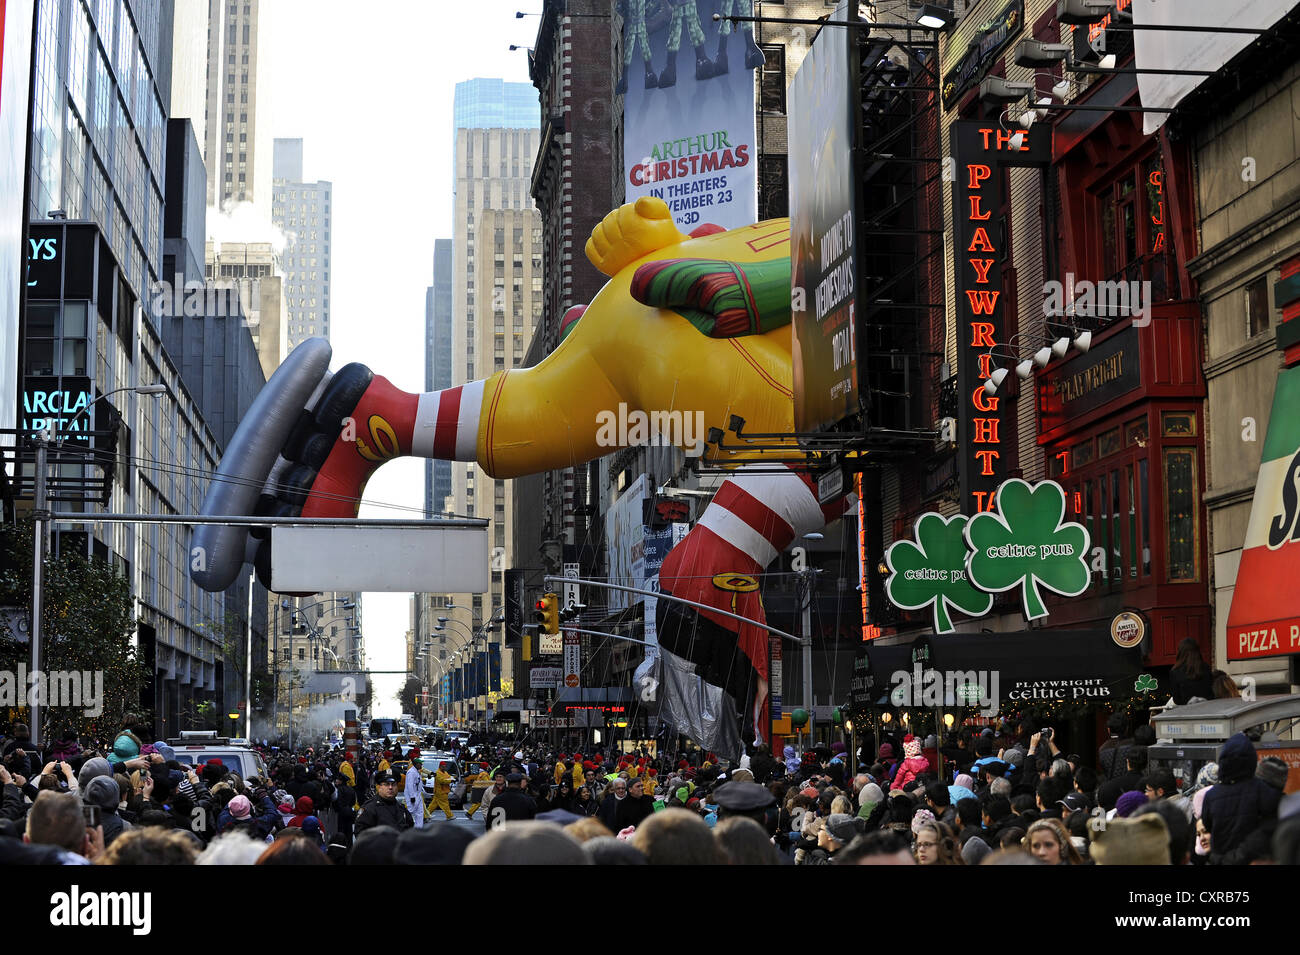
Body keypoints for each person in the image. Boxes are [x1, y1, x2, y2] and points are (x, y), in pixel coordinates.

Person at [1201, 732, 1281, 864]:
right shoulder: (1262, 790)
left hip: (1220, 859)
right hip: (1252, 860)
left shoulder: (1211, 795)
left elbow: (1207, 825)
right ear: (1251, 761)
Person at [1169, 637, 1214, 704]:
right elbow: (1212, 693)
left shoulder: (1175, 671)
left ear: (1181, 652)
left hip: (1187, 712)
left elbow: (1177, 700)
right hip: (1206, 709)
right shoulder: (1206, 667)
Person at [403, 756, 426, 829]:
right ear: (416, 764)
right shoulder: (411, 772)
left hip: (418, 795)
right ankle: (405, 827)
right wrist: (412, 796)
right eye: (420, 764)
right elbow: (410, 785)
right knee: (411, 811)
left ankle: (418, 828)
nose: (421, 765)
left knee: (420, 813)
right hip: (412, 795)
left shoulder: (416, 771)